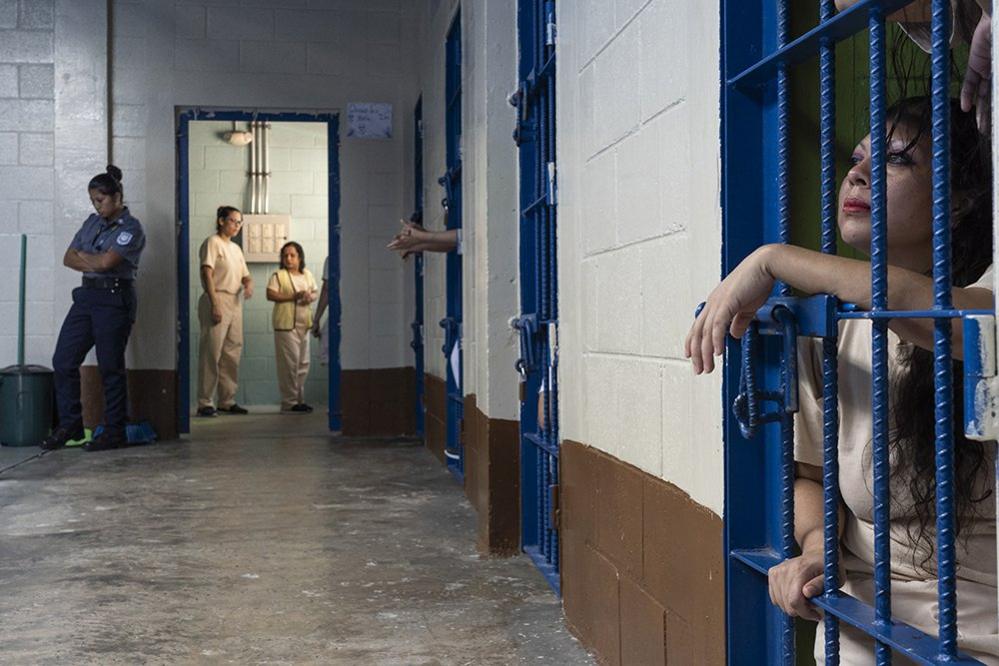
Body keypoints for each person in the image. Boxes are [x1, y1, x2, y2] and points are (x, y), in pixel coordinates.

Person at [686, 98, 998, 662]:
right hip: (861, 614)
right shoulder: (829, 326)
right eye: (857, 159)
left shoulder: (983, 297)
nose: (857, 174)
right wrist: (815, 545)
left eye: (896, 161)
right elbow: (809, 472)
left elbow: (945, 318)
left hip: (981, 629)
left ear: (956, 203)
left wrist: (771, 260)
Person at [41, 165, 145, 452]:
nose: (97, 206)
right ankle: (71, 425)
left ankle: (114, 431)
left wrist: (88, 259)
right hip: (86, 297)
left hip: (114, 300)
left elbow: (107, 263)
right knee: (63, 360)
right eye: (93, 201)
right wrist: (94, 260)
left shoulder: (131, 228)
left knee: (110, 366)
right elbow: (67, 258)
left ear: (117, 196)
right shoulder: (91, 223)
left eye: (101, 200)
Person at [196, 205, 253, 417]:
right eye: (233, 221)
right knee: (212, 352)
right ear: (221, 221)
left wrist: (248, 283)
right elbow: (207, 273)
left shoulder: (236, 249)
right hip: (217, 296)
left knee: (232, 352)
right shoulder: (213, 243)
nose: (237, 226)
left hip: (234, 301)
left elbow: (244, 274)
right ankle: (204, 402)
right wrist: (214, 303)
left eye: (239, 222)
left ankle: (227, 400)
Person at [267, 241, 318, 413]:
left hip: (305, 324)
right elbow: (270, 294)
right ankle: (289, 402)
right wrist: (293, 296)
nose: (288, 259)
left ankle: (299, 399)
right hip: (286, 326)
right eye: (285, 255)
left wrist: (309, 297)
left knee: (303, 363)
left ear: (299, 257)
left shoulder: (307, 274)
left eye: (292, 255)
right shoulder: (278, 275)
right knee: (289, 365)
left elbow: (315, 292)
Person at [310, 256, 330, 366]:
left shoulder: (333, 258)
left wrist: (316, 320)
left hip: (342, 313)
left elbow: (327, 289)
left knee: (326, 347)